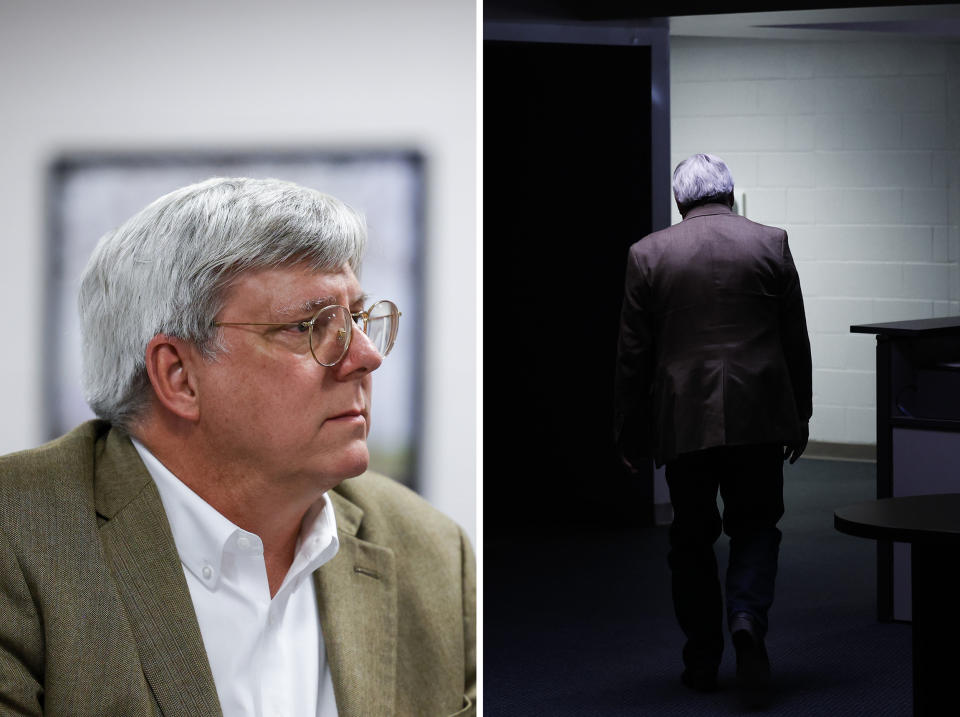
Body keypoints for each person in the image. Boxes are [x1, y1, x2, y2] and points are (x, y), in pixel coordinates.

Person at [0, 177, 475, 716]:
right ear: (179, 376)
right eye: (309, 326)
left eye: (357, 320)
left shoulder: (433, 553)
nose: (366, 357)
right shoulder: (16, 536)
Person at [614, 154, 811, 707]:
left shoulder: (648, 253)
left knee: (691, 538)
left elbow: (633, 353)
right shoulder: (771, 242)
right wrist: (802, 412)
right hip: (760, 413)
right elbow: (794, 335)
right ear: (730, 193)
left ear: (681, 202)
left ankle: (702, 657)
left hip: (684, 416)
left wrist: (628, 429)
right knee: (755, 525)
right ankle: (746, 614)